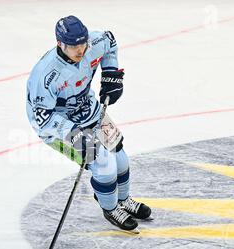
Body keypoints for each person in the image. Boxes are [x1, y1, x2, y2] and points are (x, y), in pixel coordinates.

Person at [26, 15, 151, 230]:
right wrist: (73, 133)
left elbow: (110, 42)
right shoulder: (44, 75)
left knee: (120, 157)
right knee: (104, 164)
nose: (80, 50)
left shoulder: (94, 43)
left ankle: (123, 200)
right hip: (59, 126)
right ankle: (110, 208)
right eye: (74, 46)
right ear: (59, 43)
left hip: (90, 110)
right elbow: (42, 120)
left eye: (82, 43)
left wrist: (111, 73)